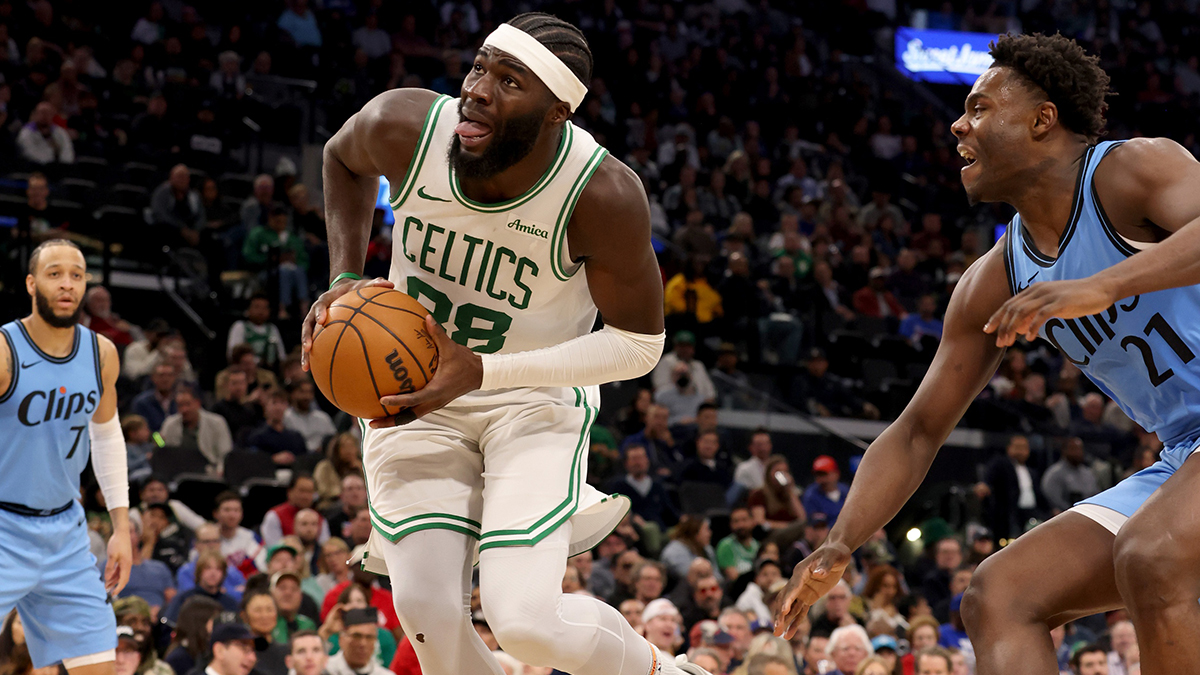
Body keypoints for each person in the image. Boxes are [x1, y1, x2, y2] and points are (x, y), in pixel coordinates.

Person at [302, 13, 719, 675]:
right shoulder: (405, 125)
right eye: (479, 67)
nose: (477, 89)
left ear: (556, 112)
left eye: (509, 81)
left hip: (531, 402)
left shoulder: (603, 195)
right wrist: (347, 276)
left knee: (524, 619)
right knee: (431, 624)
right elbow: (341, 159)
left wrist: (487, 371)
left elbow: (640, 346)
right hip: (413, 392)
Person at [775, 32, 1200, 675]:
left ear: (1041, 120)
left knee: (1151, 553)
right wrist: (841, 541)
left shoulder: (1131, 169)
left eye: (977, 107)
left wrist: (1105, 284)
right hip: (1183, 450)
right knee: (999, 595)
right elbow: (917, 431)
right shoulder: (992, 282)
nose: (957, 123)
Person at [0, 240, 131, 674]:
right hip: (3, 527)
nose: (67, 284)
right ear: (31, 283)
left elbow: (108, 437)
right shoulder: (4, 351)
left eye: (76, 274)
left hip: (65, 533)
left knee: (99, 665)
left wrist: (120, 527)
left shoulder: (101, 353)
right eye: (55, 274)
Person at [160, 387, 234, 475]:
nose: (184, 410)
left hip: (210, 471)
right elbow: (161, 445)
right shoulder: (170, 423)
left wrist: (220, 470)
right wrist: (156, 439)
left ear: (197, 403)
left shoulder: (217, 422)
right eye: (180, 406)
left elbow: (225, 454)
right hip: (179, 472)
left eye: (188, 404)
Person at [604, 444, 677, 530]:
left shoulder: (657, 486)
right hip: (635, 531)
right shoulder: (618, 486)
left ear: (647, 461)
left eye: (641, 458)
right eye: (634, 459)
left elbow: (671, 513)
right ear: (626, 463)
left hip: (661, 530)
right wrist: (631, 518)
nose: (638, 463)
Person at [163, 550, 240, 624]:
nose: (213, 573)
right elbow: (168, 624)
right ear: (199, 571)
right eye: (208, 568)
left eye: (218, 569)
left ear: (223, 574)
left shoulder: (230, 603)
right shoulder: (184, 599)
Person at [177, 523, 247, 601]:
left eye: (215, 541)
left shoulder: (231, 570)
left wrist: (221, 592)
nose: (211, 545)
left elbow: (245, 595)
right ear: (196, 544)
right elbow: (192, 598)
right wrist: (228, 592)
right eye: (206, 541)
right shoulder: (186, 571)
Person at [119, 519, 175, 615]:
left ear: (138, 536)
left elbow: (172, 599)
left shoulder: (159, 568)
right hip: (126, 617)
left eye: (130, 531)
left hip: (159, 618)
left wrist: (160, 611)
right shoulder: (108, 568)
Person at [261, 475, 331, 548]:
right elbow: (272, 549)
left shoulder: (320, 519)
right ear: (289, 492)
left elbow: (325, 548)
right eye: (302, 491)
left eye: (310, 492)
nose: (305, 496)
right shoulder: (274, 516)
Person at [248, 390, 310, 468]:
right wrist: (273, 459)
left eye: (282, 403)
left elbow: (305, 459)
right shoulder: (257, 437)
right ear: (266, 406)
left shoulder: (296, 437)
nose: (278, 407)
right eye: (274, 403)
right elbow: (253, 461)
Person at [1041, 437, 1100, 516]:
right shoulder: (1054, 473)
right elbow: (1053, 500)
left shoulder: (1088, 473)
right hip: (1065, 516)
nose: (1077, 453)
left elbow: (1096, 495)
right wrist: (1074, 511)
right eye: (1073, 449)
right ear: (1064, 451)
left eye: (1079, 449)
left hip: (1089, 515)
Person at [150, 164, 205, 245]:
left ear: (188, 179)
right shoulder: (162, 192)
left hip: (190, 229)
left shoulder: (194, 195)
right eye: (179, 176)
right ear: (171, 178)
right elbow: (160, 214)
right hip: (169, 228)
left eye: (184, 177)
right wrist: (181, 229)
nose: (181, 180)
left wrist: (195, 231)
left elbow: (201, 215)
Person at [324, 609, 390, 675]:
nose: (363, 643)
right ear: (342, 640)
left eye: (369, 637)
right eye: (357, 636)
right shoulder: (324, 669)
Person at [284, 380, 336, 454]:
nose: (307, 396)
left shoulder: (322, 417)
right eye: (302, 392)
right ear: (293, 394)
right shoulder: (286, 417)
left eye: (310, 392)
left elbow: (334, 439)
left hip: (322, 455)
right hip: (299, 457)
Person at [715, 506, 759, 582]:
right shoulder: (726, 545)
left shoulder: (757, 545)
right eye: (736, 521)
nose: (740, 525)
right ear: (730, 524)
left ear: (753, 521)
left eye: (744, 520)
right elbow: (734, 577)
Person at [131, 363, 179, 432]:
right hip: (154, 441)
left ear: (175, 378)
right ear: (153, 378)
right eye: (161, 375)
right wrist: (161, 442)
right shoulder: (142, 403)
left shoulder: (181, 401)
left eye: (169, 375)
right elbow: (146, 431)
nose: (165, 379)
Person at [801, 456, 849, 525]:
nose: (822, 480)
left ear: (836, 474)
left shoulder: (846, 490)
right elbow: (817, 526)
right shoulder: (811, 495)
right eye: (818, 475)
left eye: (824, 474)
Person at [732, 430, 773, 494]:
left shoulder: (777, 467)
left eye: (766, 443)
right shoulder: (744, 468)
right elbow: (741, 494)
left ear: (770, 445)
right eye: (759, 445)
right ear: (751, 447)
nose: (763, 448)